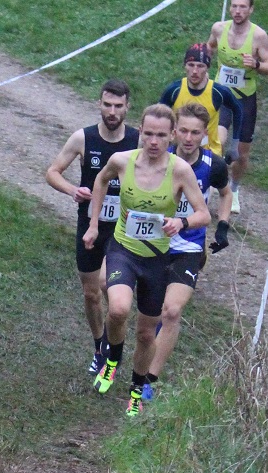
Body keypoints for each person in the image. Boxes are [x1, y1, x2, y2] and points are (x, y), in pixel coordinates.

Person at [83, 104, 211, 416]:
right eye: (149, 134)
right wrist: (94, 223)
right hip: (123, 250)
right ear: (141, 132)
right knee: (118, 308)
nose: (154, 141)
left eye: (161, 136)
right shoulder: (121, 161)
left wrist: (180, 223)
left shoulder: (180, 170)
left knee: (144, 333)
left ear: (172, 136)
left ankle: (137, 390)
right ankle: (113, 358)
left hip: (157, 260)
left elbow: (203, 213)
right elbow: (101, 181)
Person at [46, 79, 139, 375]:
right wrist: (72, 189)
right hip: (90, 224)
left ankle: (115, 346)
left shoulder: (137, 140)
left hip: (123, 229)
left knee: (107, 285)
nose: (112, 111)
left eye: (118, 106)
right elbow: (52, 172)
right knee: (91, 293)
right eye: (107, 105)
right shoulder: (83, 138)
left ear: (127, 107)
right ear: (99, 104)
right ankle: (99, 346)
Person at [142, 103, 232, 401]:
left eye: (196, 132)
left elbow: (226, 192)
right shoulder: (157, 158)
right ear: (174, 131)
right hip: (154, 244)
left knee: (172, 310)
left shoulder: (214, 165)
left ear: (204, 134)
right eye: (183, 131)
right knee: (148, 312)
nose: (188, 138)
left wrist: (223, 225)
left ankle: (148, 379)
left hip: (189, 247)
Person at [207, 0, 268, 213]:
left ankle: (234, 190)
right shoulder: (219, 28)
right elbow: (210, 47)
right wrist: (203, 59)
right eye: (234, 6)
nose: (237, 11)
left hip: (245, 98)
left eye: (243, 7)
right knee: (218, 140)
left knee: (241, 153)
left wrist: (258, 65)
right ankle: (211, 184)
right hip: (222, 94)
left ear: (251, 10)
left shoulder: (259, 36)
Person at [160, 43, 242, 159]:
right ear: (185, 66)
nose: (194, 71)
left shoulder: (217, 92)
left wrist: (234, 146)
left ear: (207, 68)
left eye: (200, 66)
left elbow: (237, 109)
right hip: (179, 153)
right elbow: (158, 116)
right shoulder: (174, 90)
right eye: (191, 65)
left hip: (210, 154)